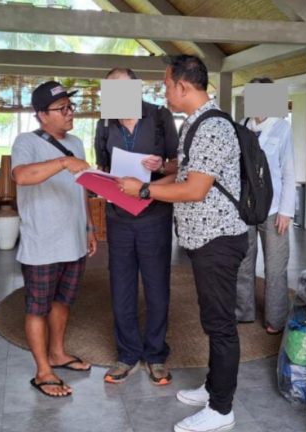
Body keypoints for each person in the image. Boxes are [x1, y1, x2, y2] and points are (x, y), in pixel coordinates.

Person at [119, 55, 247, 432]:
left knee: (221, 325)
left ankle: (221, 409)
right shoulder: (195, 121)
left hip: (219, 239)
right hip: (205, 239)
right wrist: (156, 173)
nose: (164, 92)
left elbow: (194, 189)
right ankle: (213, 387)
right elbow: (188, 173)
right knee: (212, 318)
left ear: (183, 86)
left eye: (166, 85)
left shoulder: (212, 126)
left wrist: (144, 190)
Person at [11, 80, 98, 398]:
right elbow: (22, 176)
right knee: (38, 307)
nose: (69, 112)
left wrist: (89, 227)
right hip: (42, 243)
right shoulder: (26, 142)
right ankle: (42, 371)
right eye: (62, 108)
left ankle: (58, 353)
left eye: (70, 106)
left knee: (63, 301)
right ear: (42, 115)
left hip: (73, 239)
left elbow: (82, 187)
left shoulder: (76, 142)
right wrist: (63, 162)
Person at [94, 68, 178, 385]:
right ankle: (127, 353)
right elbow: (102, 165)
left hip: (154, 213)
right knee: (121, 285)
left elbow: (179, 164)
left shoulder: (159, 117)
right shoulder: (105, 123)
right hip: (118, 215)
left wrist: (161, 165)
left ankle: (155, 355)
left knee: (156, 285)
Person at [236, 77, 295, 334]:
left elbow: (289, 172)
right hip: (246, 208)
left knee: (275, 266)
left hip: (273, 211)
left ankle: (276, 318)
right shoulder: (242, 126)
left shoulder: (282, 128)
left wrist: (286, 211)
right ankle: (243, 311)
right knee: (243, 261)